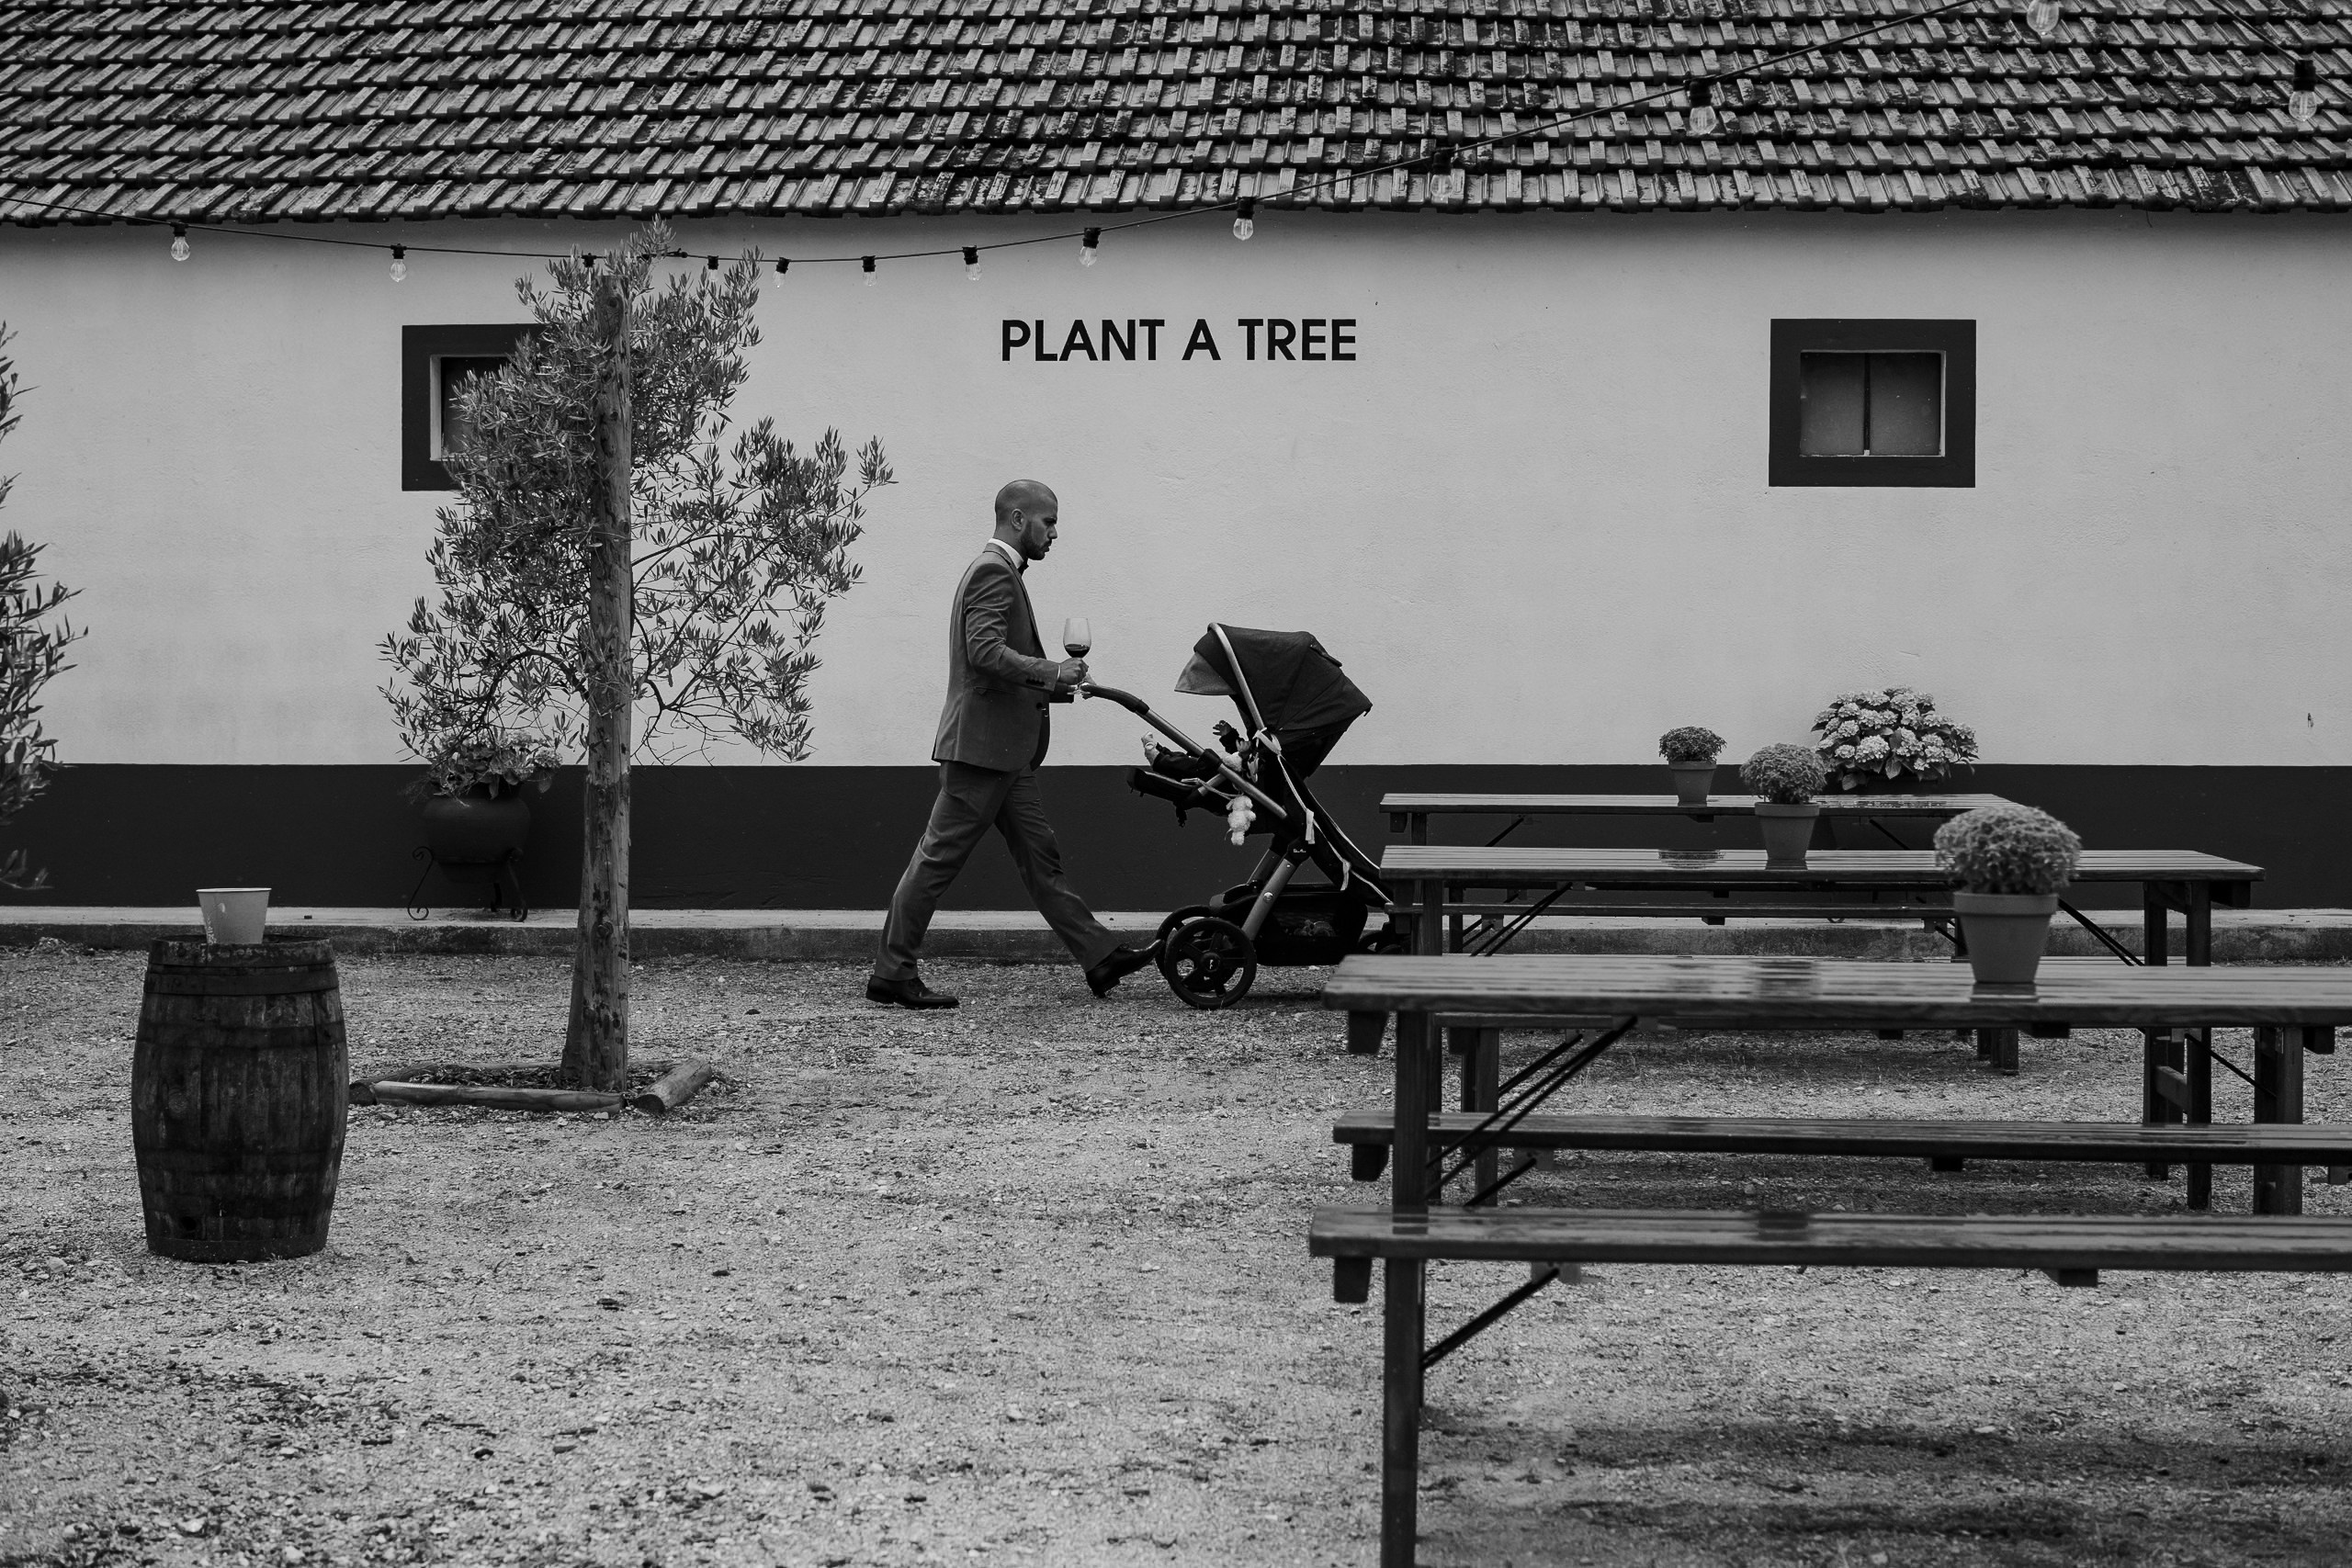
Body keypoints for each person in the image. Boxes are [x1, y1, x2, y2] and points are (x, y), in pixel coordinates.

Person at [866, 480, 1158, 1010]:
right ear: (1018, 519)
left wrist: (1061, 685)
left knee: (1041, 860)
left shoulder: (998, 573)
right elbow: (983, 653)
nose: (1053, 534)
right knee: (936, 862)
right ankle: (892, 972)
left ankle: (1100, 956)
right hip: (982, 753)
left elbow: (999, 665)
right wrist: (1052, 671)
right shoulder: (992, 572)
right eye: (1048, 522)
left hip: (1007, 754)